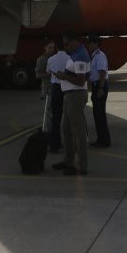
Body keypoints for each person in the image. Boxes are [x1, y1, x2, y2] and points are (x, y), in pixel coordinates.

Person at [51, 35, 90, 175]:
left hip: (75, 95)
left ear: (75, 41)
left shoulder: (79, 55)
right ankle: (68, 160)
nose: (65, 47)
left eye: (66, 44)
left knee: (78, 132)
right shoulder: (74, 54)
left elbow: (81, 81)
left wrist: (63, 76)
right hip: (70, 96)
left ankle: (81, 166)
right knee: (66, 129)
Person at [45, 40, 70, 153]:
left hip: (55, 88)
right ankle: (71, 143)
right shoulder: (70, 58)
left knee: (56, 117)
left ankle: (55, 144)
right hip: (67, 88)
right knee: (69, 117)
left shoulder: (51, 59)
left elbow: (48, 71)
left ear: (56, 48)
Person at [87, 35, 111, 148]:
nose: (89, 46)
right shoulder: (95, 56)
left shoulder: (99, 56)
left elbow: (102, 72)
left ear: (96, 44)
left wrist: (100, 88)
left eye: (90, 43)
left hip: (100, 86)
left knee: (100, 114)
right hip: (97, 86)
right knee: (98, 114)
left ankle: (104, 141)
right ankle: (101, 139)